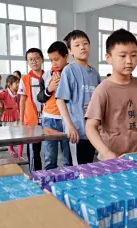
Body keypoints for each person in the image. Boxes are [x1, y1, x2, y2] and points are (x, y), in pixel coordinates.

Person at [85, 29, 137, 160]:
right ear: (109, 58)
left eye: (134, 55)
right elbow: (90, 127)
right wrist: (106, 152)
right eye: (123, 56)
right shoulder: (103, 90)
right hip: (114, 156)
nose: (129, 61)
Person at [56, 30, 100, 165]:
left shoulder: (95, 74)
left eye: (85, 43)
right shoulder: (69, 71)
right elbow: (60, 100)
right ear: (70, 51)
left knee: (89, 167)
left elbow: (99, 101)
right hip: (77, 131)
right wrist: (69, 125)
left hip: (92, 131)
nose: (82, 47)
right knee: (76, 169)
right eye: (77, 45)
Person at [37, 41, 71, 170]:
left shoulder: (72, 73)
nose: (54, 64)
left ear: (66, 57)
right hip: (50, 120)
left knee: (68, 158)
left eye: (56, 59)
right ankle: (50, 185)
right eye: (51, 60)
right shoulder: (46, 75)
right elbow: (40, 97)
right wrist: (48, 89)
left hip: (68, 120)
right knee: (50, 157)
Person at [18, 48, 45, 172]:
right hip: (31, 120)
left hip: (48, 118)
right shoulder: (24, 80)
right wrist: (21, 120)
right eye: (31, 59)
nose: (34, 62)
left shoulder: (49, 76)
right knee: (34, 150)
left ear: (42, 59)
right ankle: (36, 175)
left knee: (50, 149)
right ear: (27, 62)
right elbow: (22, 100)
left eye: (37, 58)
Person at [0, 75, 23, 158]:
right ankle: (11, 149)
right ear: (9, 84)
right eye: (16, 83)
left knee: (21, 135)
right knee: (10, 134)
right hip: (8, 115)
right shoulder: (4, 92)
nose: (18, 84)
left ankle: (20, 154)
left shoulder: (20, 92)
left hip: (18, 115)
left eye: (19, 82)